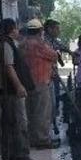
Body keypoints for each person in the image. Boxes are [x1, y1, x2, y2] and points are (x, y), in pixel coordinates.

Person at [0, 19, 38, 160]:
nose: (17, 31)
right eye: (16, 28)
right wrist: (19, 86)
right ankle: (20, 155)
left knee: (11, 122)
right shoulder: (6, 44)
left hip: (8, 90)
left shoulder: (8, 43)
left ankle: (11, 154)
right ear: (11, 29)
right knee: (20, 122)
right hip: (11, 90)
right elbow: (9, 67)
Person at [20, 19, 59, 149]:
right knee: (43, 112)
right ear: (40, 31)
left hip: (27, 82)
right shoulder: (38, 44)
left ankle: (32, 139)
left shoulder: (23, 44)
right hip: (41, 82)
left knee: (31, 112)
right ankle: (42, 140)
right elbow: (53, 55)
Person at [44, 19, 71, 133]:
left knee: (55, 100)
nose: (58, 31)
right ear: (49, 29)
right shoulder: (44, 41)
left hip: (53, 74)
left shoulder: (53, 40)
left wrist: (71, 52)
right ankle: (50, 126)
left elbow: (61, 46)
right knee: (50, 102)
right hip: (46, 75)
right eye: (56, 29)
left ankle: (53, 124)